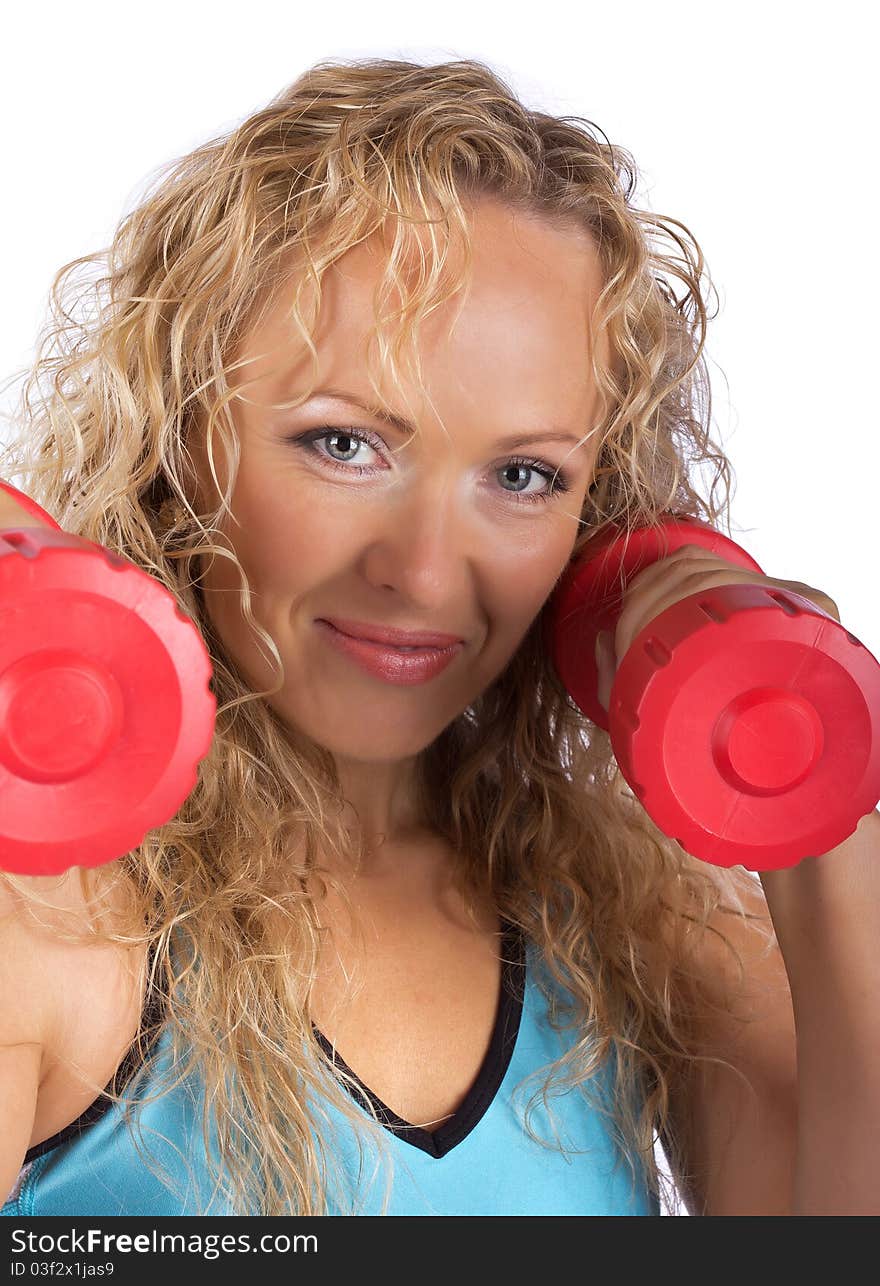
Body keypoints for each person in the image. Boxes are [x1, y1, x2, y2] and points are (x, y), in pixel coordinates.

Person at [1, 56, 875, 1219]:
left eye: (522, 475)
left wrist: (815, 798)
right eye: (343, 444)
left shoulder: (638, 927)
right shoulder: (53, 925)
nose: (421, 574)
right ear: (176, 433)